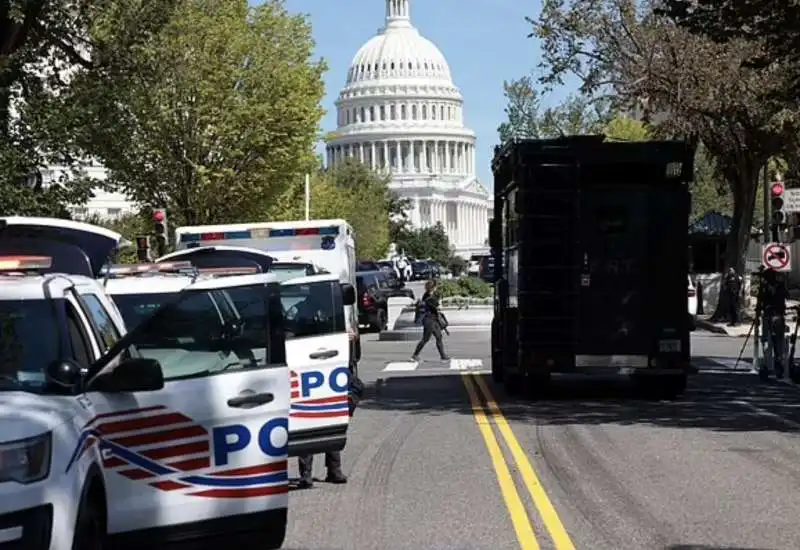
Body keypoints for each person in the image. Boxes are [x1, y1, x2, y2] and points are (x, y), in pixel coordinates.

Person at [757, 267, 789, 375]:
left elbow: (760, 302)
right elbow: (787, 296)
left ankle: (767, 364)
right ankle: (778, 362)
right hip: (778, 316)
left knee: (766, 340)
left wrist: (758, 314)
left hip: (769, 316)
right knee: (778, 341)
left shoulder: (765, 287)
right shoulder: (780, 285)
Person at [411, 280, 450, 362]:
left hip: (433, 319)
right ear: (433, 287)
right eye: (436, 287)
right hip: (429, 320)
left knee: (439, 336)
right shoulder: (430, 298)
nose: (437, 288)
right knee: (425, 339)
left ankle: (443, 355)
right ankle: (415, 355)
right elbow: (437, 307)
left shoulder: (428, 295)